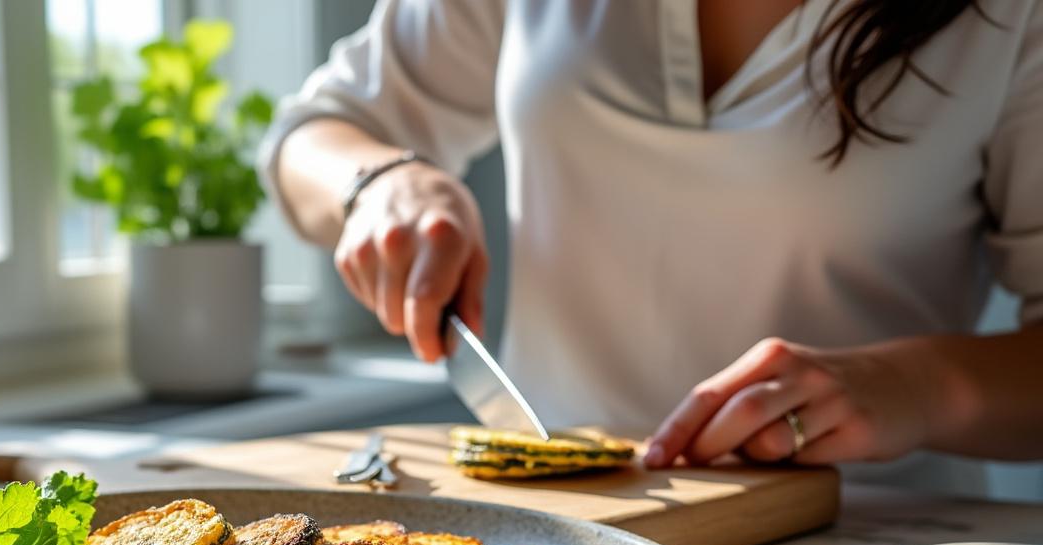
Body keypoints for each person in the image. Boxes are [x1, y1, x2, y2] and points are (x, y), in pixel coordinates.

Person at [261, 0, 1043, 479]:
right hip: (560, 538)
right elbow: (312, 136)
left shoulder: (1011, 19)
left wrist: (919, 384)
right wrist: (379, 182)